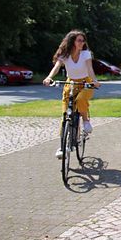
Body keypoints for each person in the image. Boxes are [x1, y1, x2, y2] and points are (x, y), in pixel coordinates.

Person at [42, 30, 101, 158]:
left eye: (83, 40)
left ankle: (85, 121)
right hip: (71, 83)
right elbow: (57, 67)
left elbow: (90, 69)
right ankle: (63, 147)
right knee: (65, 116)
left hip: (85, 82)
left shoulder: (86, 54)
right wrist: (48, 78)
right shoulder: (65, 54)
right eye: (79, 40)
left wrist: (95, 81)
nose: (82, 43)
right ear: (72, 41)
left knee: (80, 100)